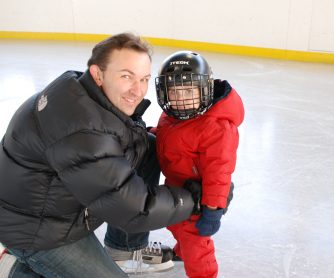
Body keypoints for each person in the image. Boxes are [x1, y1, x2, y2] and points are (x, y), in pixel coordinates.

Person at [0, 33, 200, 277]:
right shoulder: (83, 130)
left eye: (144, 79)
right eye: (126, 76)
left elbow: (126, 143)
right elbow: (133, 209)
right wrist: (194, 198)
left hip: (49, 208)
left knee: (148, 149)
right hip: (38, 232)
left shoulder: (81, 89)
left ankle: (124, 250)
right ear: (98, 73)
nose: (137, 91)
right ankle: (13, 266)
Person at [154, 50, 245, 278]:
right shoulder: (173, 116)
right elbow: (168, 137)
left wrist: (213, 210)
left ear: (205, 90)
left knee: (196, 244)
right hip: (176, 188)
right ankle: (181, 253)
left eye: (188, 90)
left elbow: (219, 171)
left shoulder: (216, 127)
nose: (181, 98)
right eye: (174, 91)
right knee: (176, 227)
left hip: (199, 199)